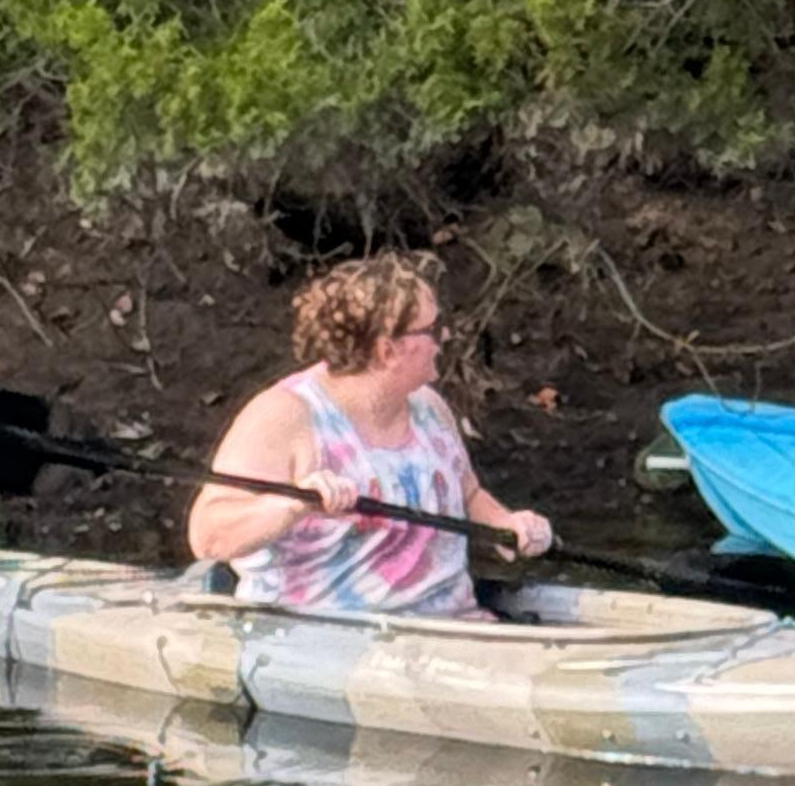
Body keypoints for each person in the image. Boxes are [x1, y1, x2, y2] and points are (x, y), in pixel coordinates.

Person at [184, 253, 552, 615]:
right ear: (387, 350)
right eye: (433, 330)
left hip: (446, 627)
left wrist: (507, 524)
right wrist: (293, 505)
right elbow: (208, 535)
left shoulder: (429, 408)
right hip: (317, 637)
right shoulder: (285, 416)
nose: (446, 336)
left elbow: (468, 493)